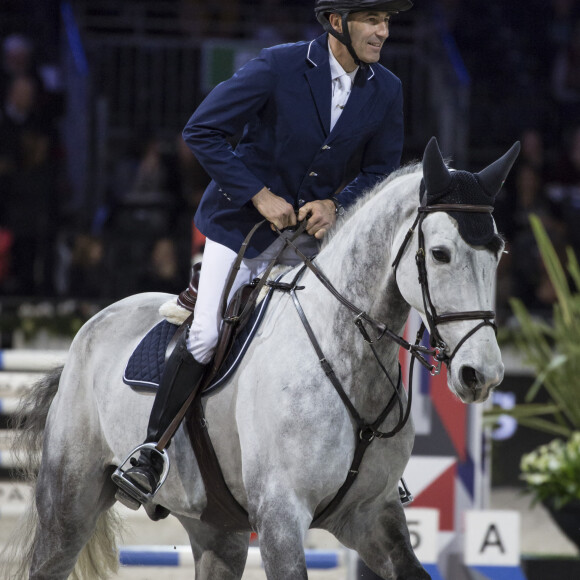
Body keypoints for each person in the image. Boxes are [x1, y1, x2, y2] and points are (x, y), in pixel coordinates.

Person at [116, 0, 413, 506]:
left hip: (309, 240)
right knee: (208, 333)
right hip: (239, 228)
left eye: (387, 21)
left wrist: (336, 205)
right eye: (372, 20)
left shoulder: (386, 88)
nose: (383, 32)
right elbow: (201, 131)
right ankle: (151, 451)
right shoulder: (280, 65)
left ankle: (377, 462)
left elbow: (381, 171)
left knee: (354, 332)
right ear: (337, 22)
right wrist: (258, 194)